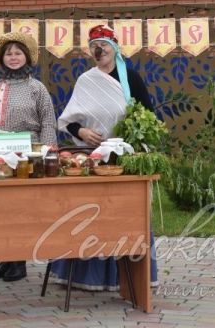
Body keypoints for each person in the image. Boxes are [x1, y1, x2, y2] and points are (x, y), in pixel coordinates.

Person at [50, 24, 157, 290]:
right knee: (91, 214)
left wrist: (133, 136)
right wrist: (83, 131)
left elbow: (150, 116)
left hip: (124, 160)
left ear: (115, 47)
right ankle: (87, 276)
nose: (100, 51)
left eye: (104, 45)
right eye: (95, 47)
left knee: (123, 215)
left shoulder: (130, 78)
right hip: (93, 159)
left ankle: (130, 275)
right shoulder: (86, 81)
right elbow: (69, 121)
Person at [0, 31, 58, 282]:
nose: (13, 57)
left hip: (26, 155)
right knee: (0, 207)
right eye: (8, 53)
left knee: (20, 207)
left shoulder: (37, 88)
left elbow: (47, 121)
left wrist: (47, 154)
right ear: (2, 59)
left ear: (27, 57)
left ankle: (19, 261)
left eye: (18, 53)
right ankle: (6, 257)